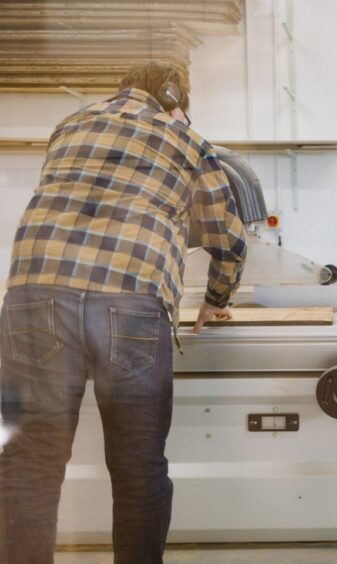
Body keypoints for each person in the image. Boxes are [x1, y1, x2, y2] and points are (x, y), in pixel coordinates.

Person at [0, 63, 248, 563]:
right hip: (130, 302)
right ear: (175, 96)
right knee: (139, 470)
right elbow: (229, 241)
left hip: (34, 296)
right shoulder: (187, 139)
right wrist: (215, 300)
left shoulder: (70, 125)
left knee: (29, 463)